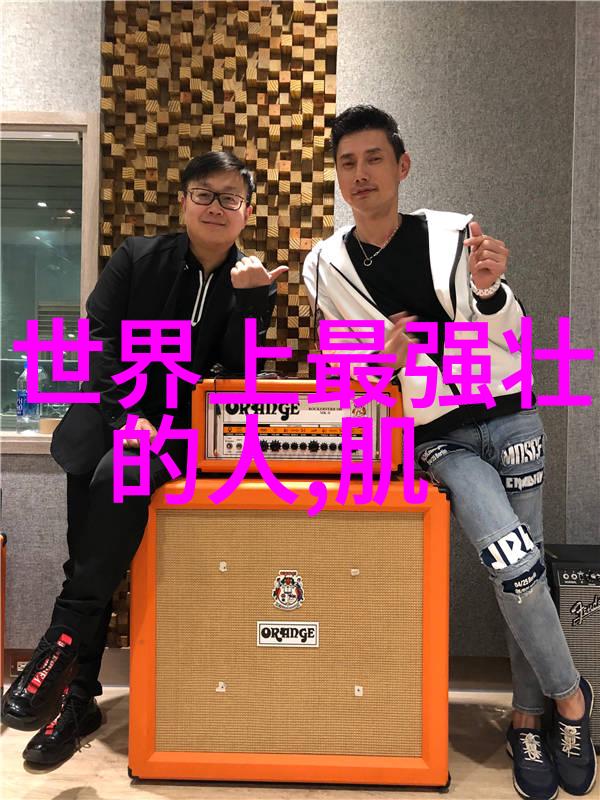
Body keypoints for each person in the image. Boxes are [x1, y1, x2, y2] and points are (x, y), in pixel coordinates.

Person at [303, 105, 596, 800]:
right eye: (347, 163)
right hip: (439, 438)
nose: (360, 174)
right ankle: (572, 697)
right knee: (513, 560)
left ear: (402, 166)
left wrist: (491, 291)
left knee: (525, 566)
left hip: (510, 416)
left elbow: (506, 334)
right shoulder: (325, 267)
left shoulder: (452, 233)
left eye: (374, 158)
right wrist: (381, 363)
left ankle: (526, 718)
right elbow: (347, 373)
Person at [2, 150, 286, 765]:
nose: (216, 207)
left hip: (180, 437)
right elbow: (97, 336)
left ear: (247, 211)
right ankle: (76, 698)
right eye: (204, 194)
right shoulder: (137, 256)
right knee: (88, 558)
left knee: (116, 490)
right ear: (183, 202)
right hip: (107, 421)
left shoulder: (252, 278)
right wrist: (127, 416)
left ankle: (60, 647)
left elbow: (238, 377)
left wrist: (252, 303)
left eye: (230, 198)